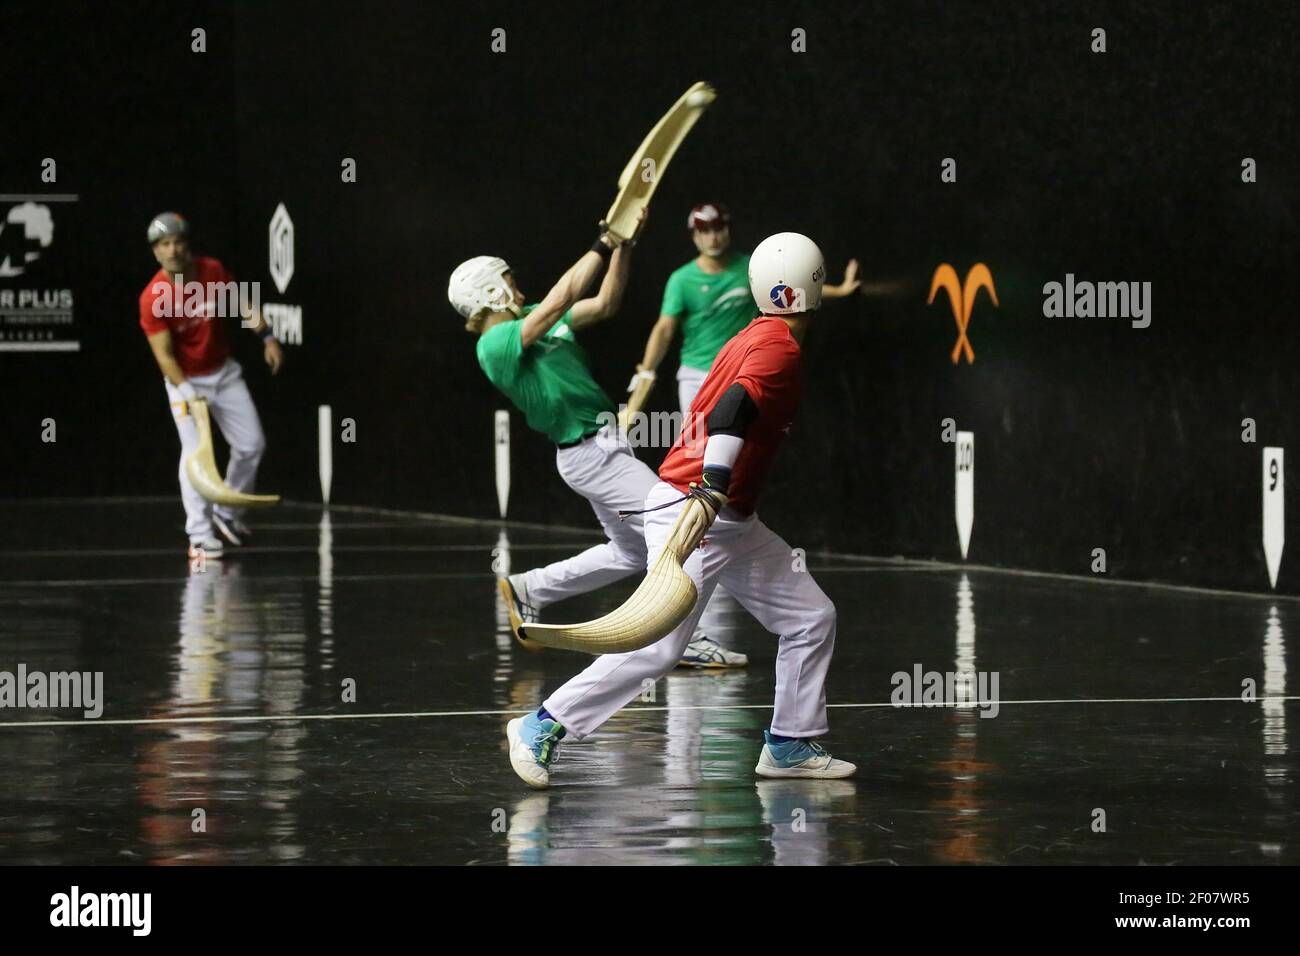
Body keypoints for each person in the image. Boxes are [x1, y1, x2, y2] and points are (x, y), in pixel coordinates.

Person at [507, 232, 856, 788]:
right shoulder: (778, 347)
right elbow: (732, 409)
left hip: (729, 519)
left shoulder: (750, 335)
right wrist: (712, 488)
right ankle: (540, 724)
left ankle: (790, 743)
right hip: (697, 508)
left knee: (811, 617)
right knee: (659, 647)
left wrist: (718, 498)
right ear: (812, 287)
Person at [450, 213, 745, 670]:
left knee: (630, 550)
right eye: (510, 281)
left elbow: (604, 303)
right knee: (677, 528)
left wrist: (624, 247)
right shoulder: (494, 346)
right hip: (591, 455)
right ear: (489, 291)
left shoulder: (531, 319)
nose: (520, 289)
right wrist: (605, 240)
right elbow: (560, 297)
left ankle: (533, 588)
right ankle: (686, 637)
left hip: (603, 447)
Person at [137, 213, 283, 560]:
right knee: (195, 456)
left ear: (187, 245)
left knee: (252, 445)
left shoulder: (212, 271)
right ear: (156, 252)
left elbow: (243, 303)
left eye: (177, 242)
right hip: (185, 383)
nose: (172, 251)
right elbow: (164, 355)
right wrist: (186, 391)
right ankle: (199, 535)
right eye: (164, 245)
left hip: (224, 374)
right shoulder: (152, 298)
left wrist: (268, 337)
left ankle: (227, 515)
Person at [629, 202, 860, 416]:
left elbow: (794, 289)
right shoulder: (681, 280)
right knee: (695, 448)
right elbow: (664, 329)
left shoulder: (750, 268)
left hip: (741, 371)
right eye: (705, 231)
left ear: (728, 230)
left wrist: (840, 290)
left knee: (739, 445)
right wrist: (646, 371)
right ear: (694, 236)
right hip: (695, 377)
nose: (713, 238)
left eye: (718, 229)